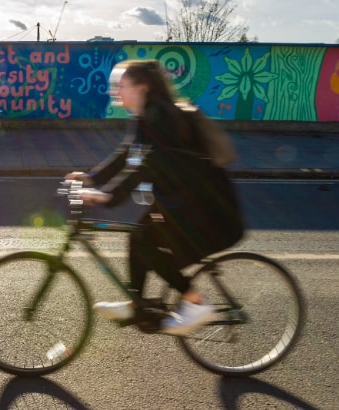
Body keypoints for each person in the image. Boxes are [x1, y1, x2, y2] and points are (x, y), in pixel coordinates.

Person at [65, 60, 245, 336]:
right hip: (183, 204)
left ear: (142, 87)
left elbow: (145, 165)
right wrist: (92, 178)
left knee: (153, 248)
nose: (115, 91)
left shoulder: (161, 117)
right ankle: (136, 306)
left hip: (209, 213)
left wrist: (106, 196)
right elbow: (128, 154)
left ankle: (195, 303)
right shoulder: (145, 118)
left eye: (121, 85)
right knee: (139, 237)